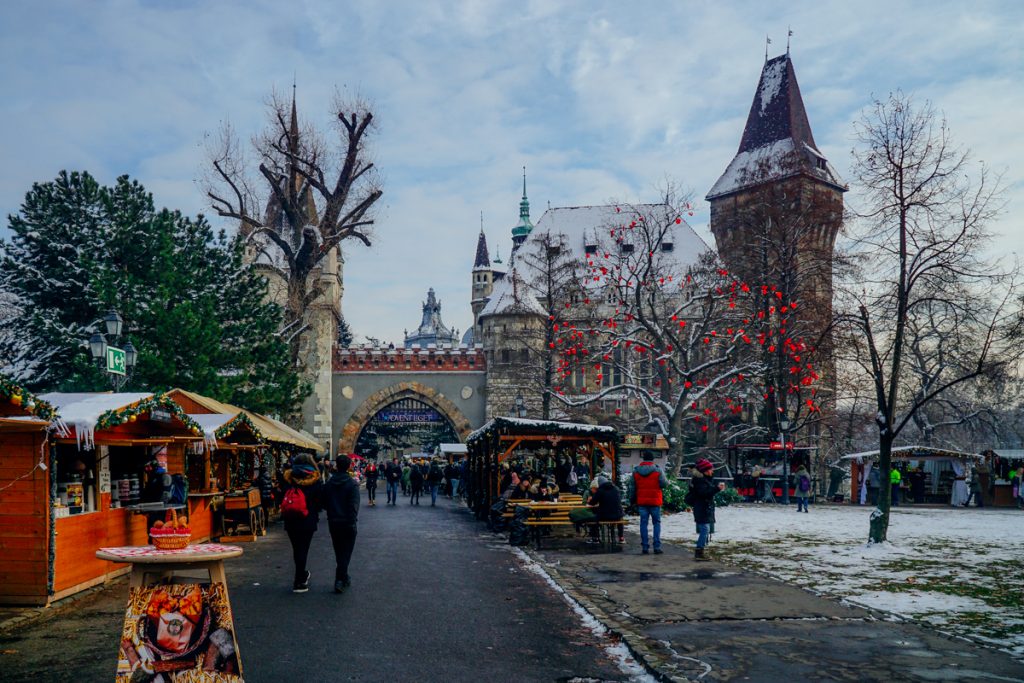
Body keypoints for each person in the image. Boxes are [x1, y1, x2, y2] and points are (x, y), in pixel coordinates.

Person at [281, 453, 323, 593]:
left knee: (296, 548)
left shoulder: (288, 478)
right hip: (307, 519)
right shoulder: (315, 479)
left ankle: (301, 575)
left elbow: (283, 495)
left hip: (291, 518)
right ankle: (299, 581)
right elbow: (319, 502)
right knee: (303, 548)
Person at [324, 454, 360, 593]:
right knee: (346, 551)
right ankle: (340, 579)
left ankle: (343, 577)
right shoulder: (352, 484)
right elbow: (354, 505)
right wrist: (352, 520)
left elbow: (324, 502)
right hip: (348, 522)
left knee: (339, 550)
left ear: (336, 466)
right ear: (349, 466)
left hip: (333, 521)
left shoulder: (329, 484)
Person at [629, 452, 667, 554]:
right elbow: (664, 484)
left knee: (643, 523)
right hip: (655, 501)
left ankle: (645, 547)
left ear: (643, 459)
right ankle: (657, 547)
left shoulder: (636, 471)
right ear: (652, 459)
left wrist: (632, 500)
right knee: (656, 523)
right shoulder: (658, 470)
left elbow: (632, 487)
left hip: (642, 501)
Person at [687, 458, 723, 561]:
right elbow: (704, 493)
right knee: (705, 529)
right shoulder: (700, 481)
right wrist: (717, 489)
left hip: (704, 507)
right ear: (705, 470)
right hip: (702, 507)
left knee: (705, 528)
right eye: (711, 469)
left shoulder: (704, 479)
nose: (712, 471)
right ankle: (699, 551)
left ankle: (701, 550)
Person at [587, 476, 624, 545]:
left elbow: (592, 503)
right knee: (620, 517)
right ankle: (621, 537)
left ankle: (595, 538)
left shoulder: (601, 490)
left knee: (593, 518)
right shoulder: (616, 488)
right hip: (618, 515)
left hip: (605, 515)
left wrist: (589, 501)